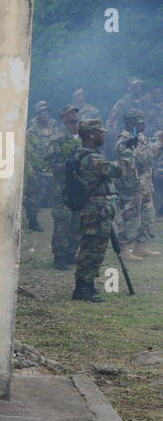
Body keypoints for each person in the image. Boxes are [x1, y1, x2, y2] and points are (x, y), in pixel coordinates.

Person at [70, 119, 123, 302]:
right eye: (101, 131)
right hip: (96, 210)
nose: (104, 134)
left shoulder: (86, 154)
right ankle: (82, 289)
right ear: (91, 135)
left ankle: (88, 284)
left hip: (97, 210)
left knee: (95, 248)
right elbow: (117, 170)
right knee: (92, 248)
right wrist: (126, 151)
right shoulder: (92, 158)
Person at [117, 110, 159, 258]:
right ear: (131, 123)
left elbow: (149, 155)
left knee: (148, 215)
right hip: (132, 186)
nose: (144, 124)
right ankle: (123, 249)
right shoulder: (125, 140)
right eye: (140, 121)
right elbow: (133, 162)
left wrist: (159, 144)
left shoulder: (140, 137)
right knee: (131, 216)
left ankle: (140, 246)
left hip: (145, 184)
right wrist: (136, 189)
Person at [49, 105, 82, 269]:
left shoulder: (84, 137)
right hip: (62, 188)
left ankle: (71, 253)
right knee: (63, 222)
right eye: (71, 116)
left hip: (79, 189)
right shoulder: (58, 139)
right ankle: (59, 256)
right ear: (64, 119)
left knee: (77, 222)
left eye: (76, 116)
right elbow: (50, 162)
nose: (74, 118)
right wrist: (68, 166)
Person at [23, 101, 58, 231]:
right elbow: (27, 153)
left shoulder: (52, 130)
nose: (46, 115)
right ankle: (32, 220)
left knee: (51, 196)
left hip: (49, 169)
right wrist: (29, 169)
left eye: (47, 112)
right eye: (43, 113)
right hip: (37, 170)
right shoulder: (31, 132)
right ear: (38, 115)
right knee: (33, 197)